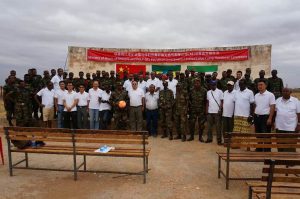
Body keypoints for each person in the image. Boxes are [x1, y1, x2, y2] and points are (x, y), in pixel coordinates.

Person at [275, 88, 300, 152]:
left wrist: (299, 124)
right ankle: (281, 160)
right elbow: (275, 112)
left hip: (291, 128)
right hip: (279, 127)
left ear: (290, 92)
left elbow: (299, 113)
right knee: (280, 145)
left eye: (287, 91)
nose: (285, 92)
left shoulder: (296, 101)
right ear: (281, 92)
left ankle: (290, 160)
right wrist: (274, 123)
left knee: (290, 146)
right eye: (283, 91)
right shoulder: (278, 100)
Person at [254, 79, 275, 152]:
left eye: (261, 85)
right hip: (257, 117)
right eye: (258, 85)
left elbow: (272, 107)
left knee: (266, 134)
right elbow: (256, 106)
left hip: (265, 117)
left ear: (265, 85)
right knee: (258, 134)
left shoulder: (270, 95)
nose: (259, 86)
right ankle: (259, 148)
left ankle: (267, 149)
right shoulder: (256, 95)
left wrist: (270, 118)